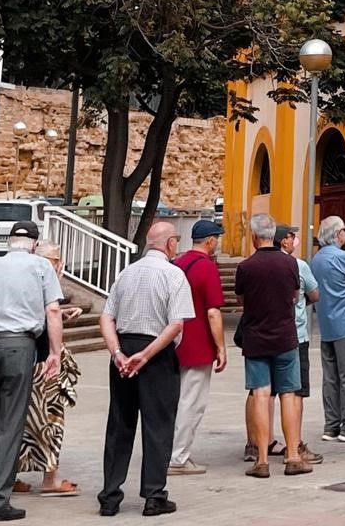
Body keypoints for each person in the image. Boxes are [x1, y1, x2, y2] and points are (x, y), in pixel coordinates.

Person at [98, 221, 195, 517]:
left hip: (124, 350)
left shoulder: (125, 274)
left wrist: (118, 353)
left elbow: (106, 318)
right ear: (169, 244)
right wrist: (146, 355)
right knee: (158, 425)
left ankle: (110, 496)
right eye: (176, 240)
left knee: (120, 424)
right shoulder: (174, 275)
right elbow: (176, 323)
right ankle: (154, 494)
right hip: (156, 354)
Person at [235, 213, 311, 480]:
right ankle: (292, 456)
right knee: (289, 394)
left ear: (255, 236)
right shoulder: (290, 264)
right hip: (286, 337)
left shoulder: (246, 267)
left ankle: (262, 459)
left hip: (256, 337)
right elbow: (294, 296)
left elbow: (242, 300)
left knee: (261, 395)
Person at [0, 220, 62, 524]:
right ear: (35, 244)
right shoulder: (40, 267)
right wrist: (55, 352)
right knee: (10, 424)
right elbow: (52, 310)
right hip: (18, 346)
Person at [11, 240, 76, 501]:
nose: (60, 265)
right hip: (42, 363)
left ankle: (9, 475)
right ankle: (50, 479)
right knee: (50, 420)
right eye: (55, 259)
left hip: (24, 358)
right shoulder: (43, 281)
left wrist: (65, 312)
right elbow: (48, 313)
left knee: (16, 421)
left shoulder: (22, 282)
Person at [167, 219, 226, 477]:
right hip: (198, 343)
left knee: (175, 400)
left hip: (174, 342)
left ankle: (169, 450)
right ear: (211, 241)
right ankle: (179, 456)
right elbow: (213, 312)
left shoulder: (176, 265)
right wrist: (221, 347)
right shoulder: (207, 268)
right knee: (192, 402)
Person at [310, 215, 345, 443]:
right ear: (336, 234)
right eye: (343, 230)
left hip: (326, 323)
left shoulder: (316, 260)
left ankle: (331, 424)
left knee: (331, 377)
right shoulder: (344, 258)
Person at [275, 226, 322, 465]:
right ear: (284, 241)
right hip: (296, 335)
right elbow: (314, 295)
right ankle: (294, 446)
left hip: (266, 335)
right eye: (292, 236)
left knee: (261, 392)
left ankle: (256, 446)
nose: (295, 239)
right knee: (295, 392)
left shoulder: (256, 263)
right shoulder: (298, 265)